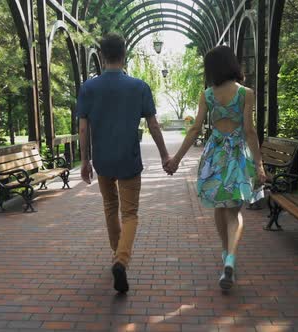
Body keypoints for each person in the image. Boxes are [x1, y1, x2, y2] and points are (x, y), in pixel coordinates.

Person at [165, 45, 266, 290]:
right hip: (238, 157)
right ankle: (230, 256)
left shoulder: (208, 95)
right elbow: (250, 131)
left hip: (215, 156)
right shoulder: (246, 93)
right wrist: (259, 165)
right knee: (234, 212)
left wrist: (176, 159)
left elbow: (195, 128)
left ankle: (225, 255)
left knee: (220, 207)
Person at [76, 32, 171, 294]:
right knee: (130, 214)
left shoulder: (88, 88)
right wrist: (164, 155)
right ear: (124, 54)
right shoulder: (139, 86)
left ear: (103, 56)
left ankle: (117, 256)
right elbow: (153, 124)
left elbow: (83, 129)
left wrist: (85, 161)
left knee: (110, 207)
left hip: (103, 159)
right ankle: (121, 259)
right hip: (129, 159)